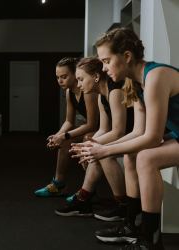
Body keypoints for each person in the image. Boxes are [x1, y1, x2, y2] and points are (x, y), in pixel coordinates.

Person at [75, 27, 179, 250]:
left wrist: (105, 151)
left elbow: (152, 138)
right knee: (132, 154)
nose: (103, 68)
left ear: (127, 56)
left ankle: (151, 242)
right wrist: (98, 146)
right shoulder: (136, 82)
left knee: (146, 158)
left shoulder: (155, 76)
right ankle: (133, 225)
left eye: (106, 61)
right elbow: (138, 132)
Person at [55, 57, 133, 221]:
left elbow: (118, 132)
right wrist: (88, 145)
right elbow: (104, 129)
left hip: (136, 136)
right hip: (126, 136)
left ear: (96, 77)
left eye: (81, 79)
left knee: (102, 153)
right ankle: (84, 199)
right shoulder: (100, 96)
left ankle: (123, 206)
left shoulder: (115, 91)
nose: (79, 84)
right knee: (95, 149)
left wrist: (93, 146)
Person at [35, 57, 99, 197]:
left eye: (64, 76)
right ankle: (58, 184)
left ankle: (87, 191)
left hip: (102, 128)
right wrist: (58, 136)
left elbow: (92, 124)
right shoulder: (69, 92)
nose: (60, 81)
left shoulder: (88, 91)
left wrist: (64, 135)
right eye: (57, 77)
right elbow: (69, 121)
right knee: (64, 142)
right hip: (91, 127)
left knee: (87, 138)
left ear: (75, 73)